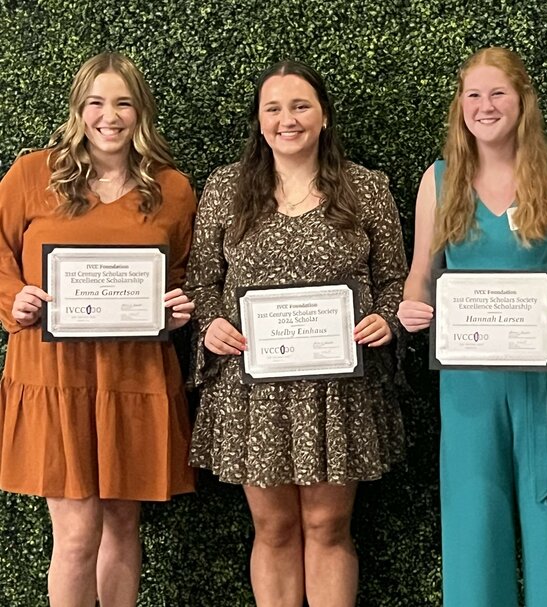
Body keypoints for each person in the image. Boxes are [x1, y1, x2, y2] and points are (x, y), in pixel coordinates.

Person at [398, 47, 547, 607]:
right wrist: (410, 305)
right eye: (473, 95)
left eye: (497, 93)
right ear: (459, 106)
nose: (485, 106)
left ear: (522, 101)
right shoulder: (439, 178)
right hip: (469, 376)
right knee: (476, 516)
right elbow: (422, 274)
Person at [185, 60, 407, 607]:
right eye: (274, 108)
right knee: (275, 529)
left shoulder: (366, 187)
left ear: (324, 115)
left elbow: (396, 280)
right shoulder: (226, 187)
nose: (288, 119)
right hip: (250, 388)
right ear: (259, 123)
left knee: (330, 528)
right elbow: (203, 281)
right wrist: (211, 325)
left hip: (340, 388)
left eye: (301, 105)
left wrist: (387, 316)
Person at [0, 53, 196, 606]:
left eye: (123, 103)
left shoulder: (173, 189)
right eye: (95, 103)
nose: (108, 117)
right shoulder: (32, 174)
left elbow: (180, 274)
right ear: (78, 110)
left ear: (141, 113)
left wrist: (178, 308)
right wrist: (16, 301)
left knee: (122, 527)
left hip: (131, 376)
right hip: (55, 374)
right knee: (77, 533)